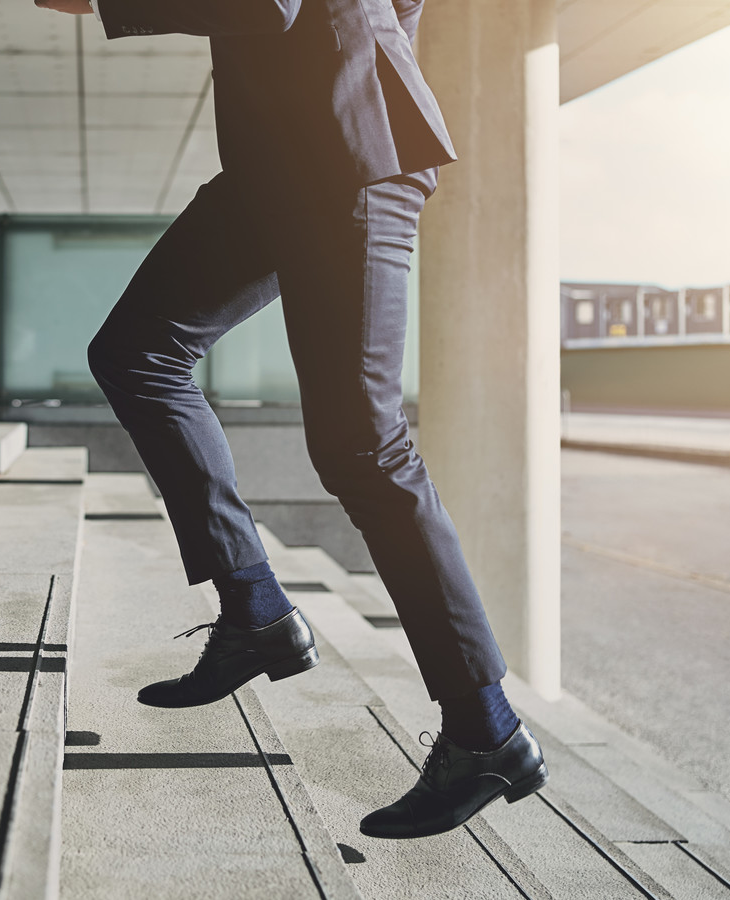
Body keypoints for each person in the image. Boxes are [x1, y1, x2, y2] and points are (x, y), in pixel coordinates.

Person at [33, 0, 547, 839]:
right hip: (285, 159)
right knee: (136, 351)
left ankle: (486, 730)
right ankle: (256, 610)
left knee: (362, 448)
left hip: (350, 147)